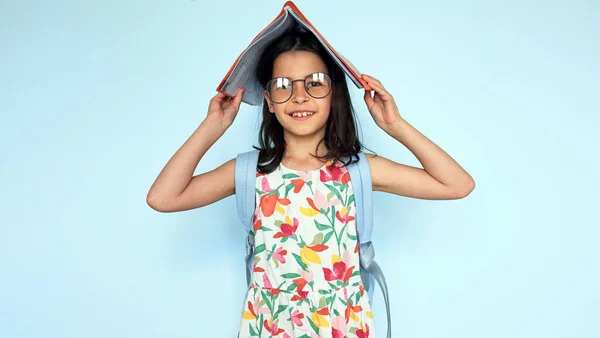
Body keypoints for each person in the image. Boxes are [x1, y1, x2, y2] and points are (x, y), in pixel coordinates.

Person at [147, 29, 475, 338]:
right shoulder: (249, 172)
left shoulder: (358, 170)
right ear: (269, 101)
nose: (300, 96)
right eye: (283, 85)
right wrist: (212, 127)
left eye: (314, 83)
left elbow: (457, 184)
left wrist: (395, 125)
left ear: (334, 94)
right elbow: (163, 198)